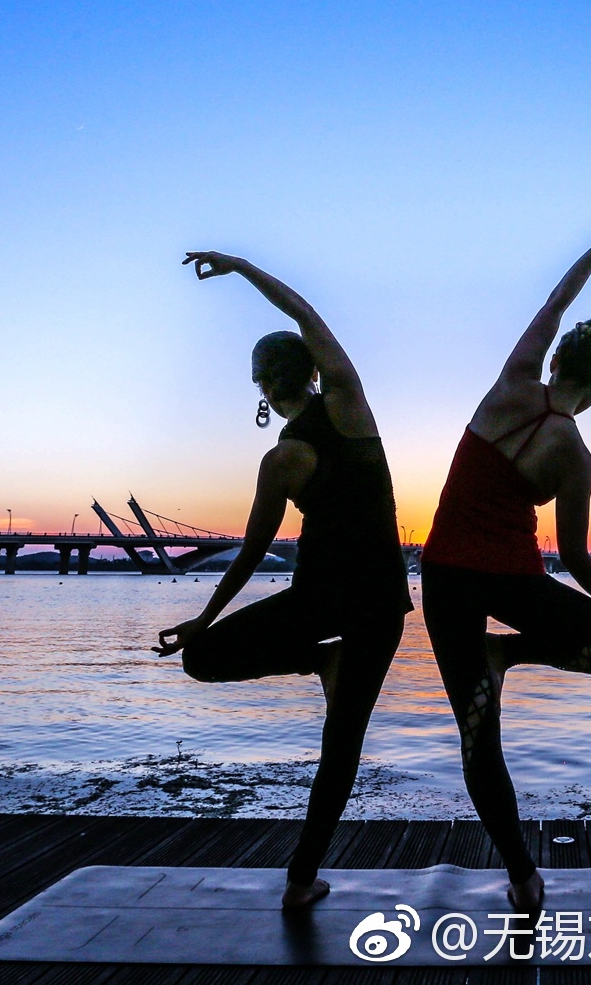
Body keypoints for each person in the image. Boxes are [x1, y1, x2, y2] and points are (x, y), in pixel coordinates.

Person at [420, 226, 591, 914]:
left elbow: (554, 306)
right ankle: (510, 652)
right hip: (514, 581)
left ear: (557, 360)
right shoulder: (574, 453)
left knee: (478, 738)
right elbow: (578, 557)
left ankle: (522, 878)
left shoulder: (512, 383)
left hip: (444, 577)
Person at [155, 251, 411, 911]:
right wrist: (241, 267)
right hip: (379, 600)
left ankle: (318, 660)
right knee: (342, 745)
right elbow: (305, 312)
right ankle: (301, 881)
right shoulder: (351, 407)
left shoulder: (282, 459)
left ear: (264, 388)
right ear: (312, 371)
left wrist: (204, 621)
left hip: (318, 597)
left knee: (202, 658)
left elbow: (250, 554)